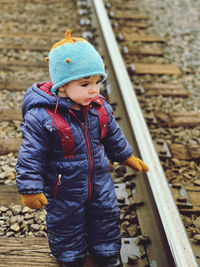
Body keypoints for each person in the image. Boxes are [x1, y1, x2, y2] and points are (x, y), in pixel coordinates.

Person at [16, 29, 149, 267]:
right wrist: (30, 188)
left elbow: (113, 136)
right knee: (66, 220)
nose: (94, 90)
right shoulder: (42, 117)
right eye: (85, 83)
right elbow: (30, 155)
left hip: (99, 178)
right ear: (63, 86)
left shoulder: (100, 109)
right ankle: (70, 256)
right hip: (62, 185)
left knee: (106, 214)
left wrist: (126, 156)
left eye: (97, 82)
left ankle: (107, 252)